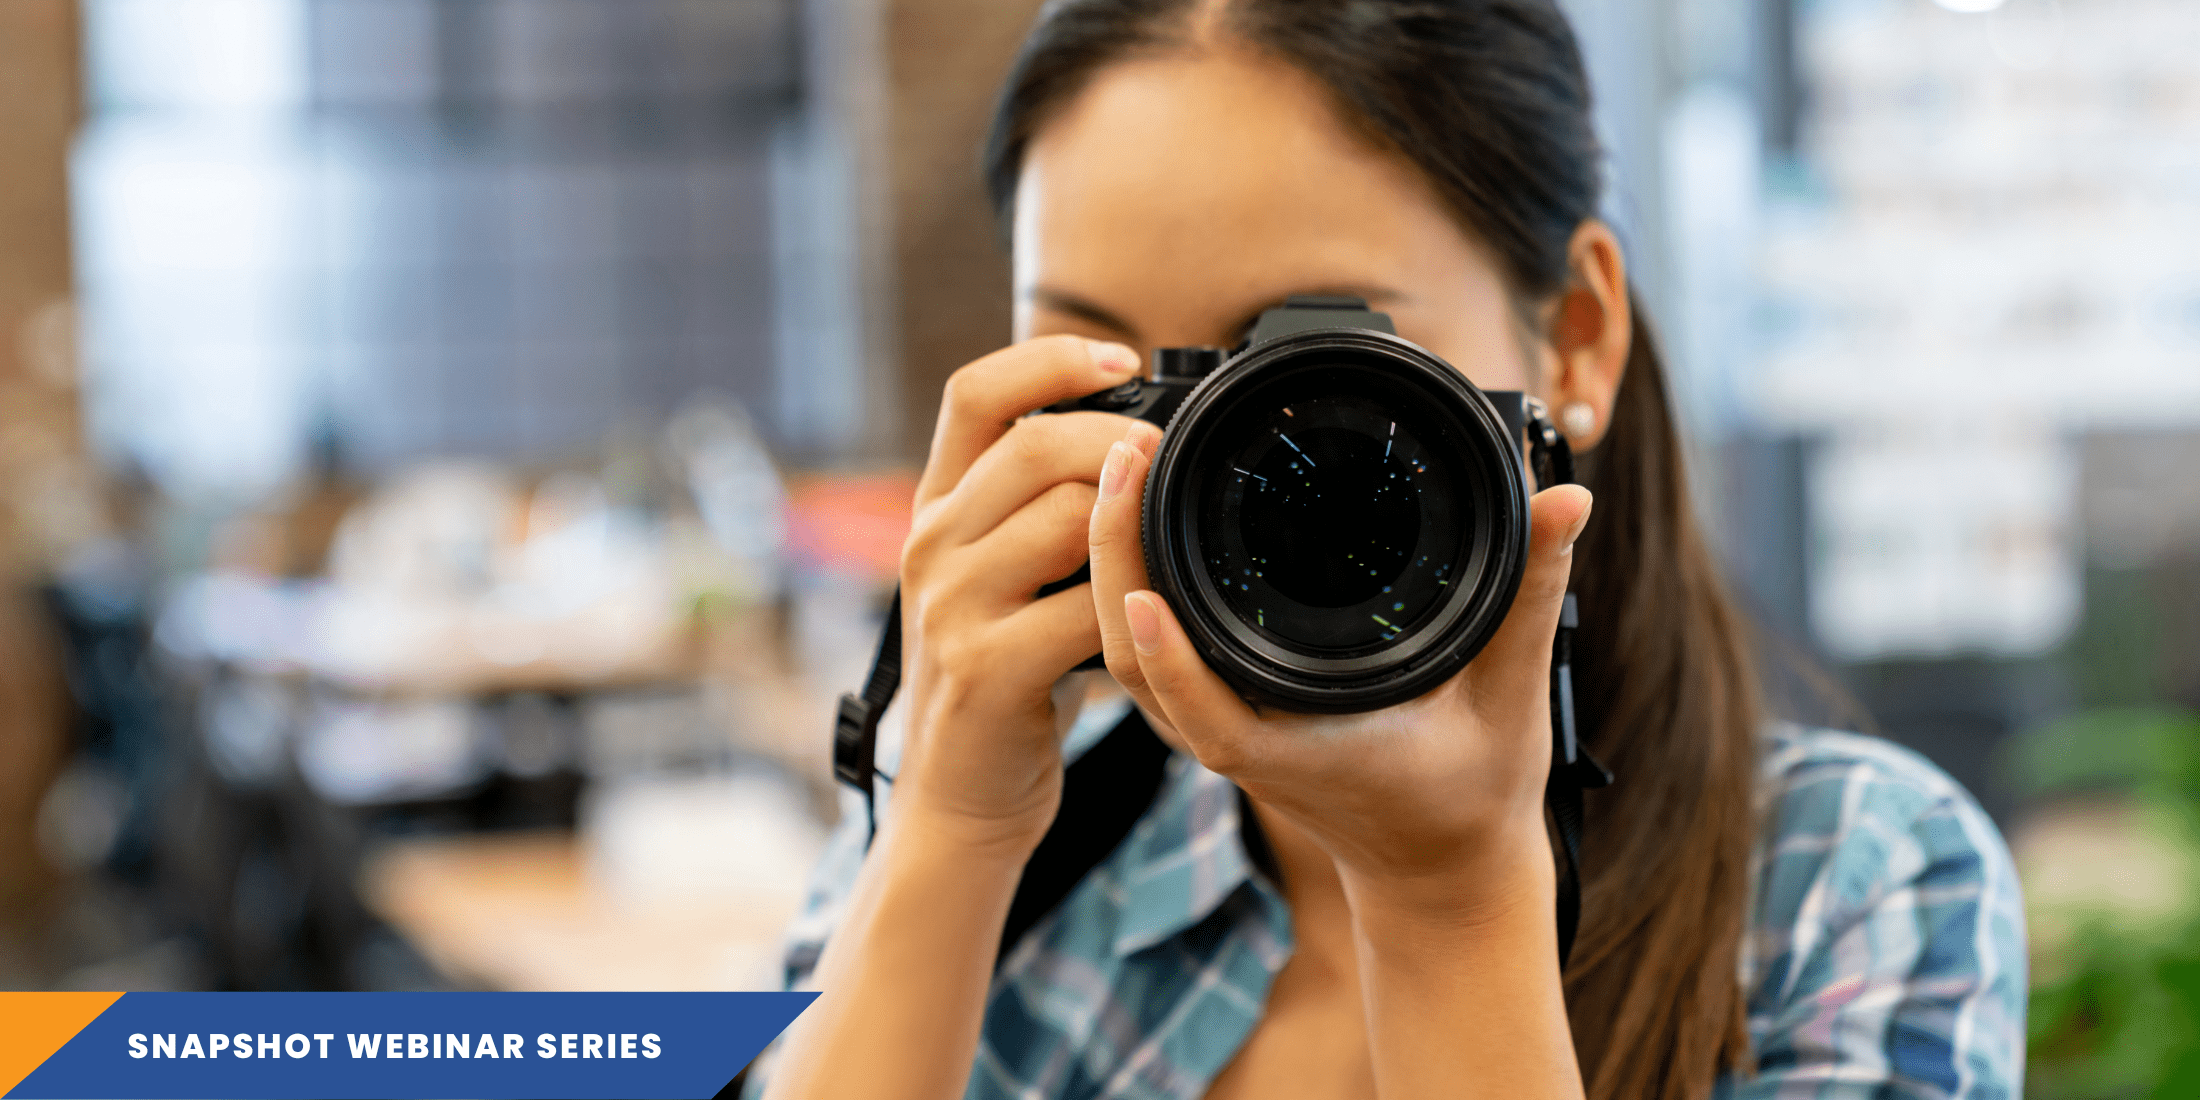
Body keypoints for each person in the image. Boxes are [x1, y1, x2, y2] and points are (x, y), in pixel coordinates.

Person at [755, 1, 2026, 1097]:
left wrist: (1448, 897)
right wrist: (949, 833)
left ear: (1575, 336)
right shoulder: (987, 830)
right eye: (1122, 377)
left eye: (1306, 362)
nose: (1203, 466)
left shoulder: (1843, 886)